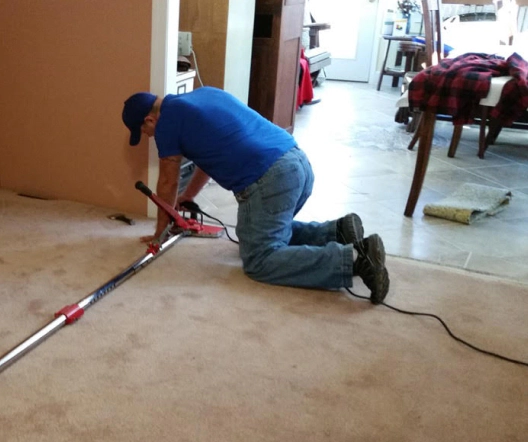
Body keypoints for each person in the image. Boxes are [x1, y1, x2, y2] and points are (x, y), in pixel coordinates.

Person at [121, 86, 389, 304]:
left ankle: (355, 258)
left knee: (260, 260)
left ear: (150, 119)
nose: (148, 136)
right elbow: (206, 161)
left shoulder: (167, 122)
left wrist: (160, 232)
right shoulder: (202, 95)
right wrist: (187, 196)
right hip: (298, 164)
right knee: (255, 236)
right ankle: (337, 232)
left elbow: (167, 181)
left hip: (271, 179)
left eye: (145, 132)